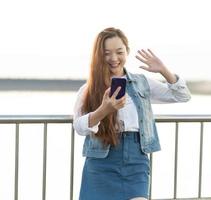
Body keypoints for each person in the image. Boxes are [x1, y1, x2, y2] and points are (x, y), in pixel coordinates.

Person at [73, 27, 191, 200]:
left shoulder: (142, 83)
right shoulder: (88, 89)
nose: (114, 58)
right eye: (107, 53)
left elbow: (182, 95)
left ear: (127, 51)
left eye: (119, 52)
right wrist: (104, 110)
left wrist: (163, 70)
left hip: (136, 160)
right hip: (101, 163)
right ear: (99, 56)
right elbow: (79, 126)